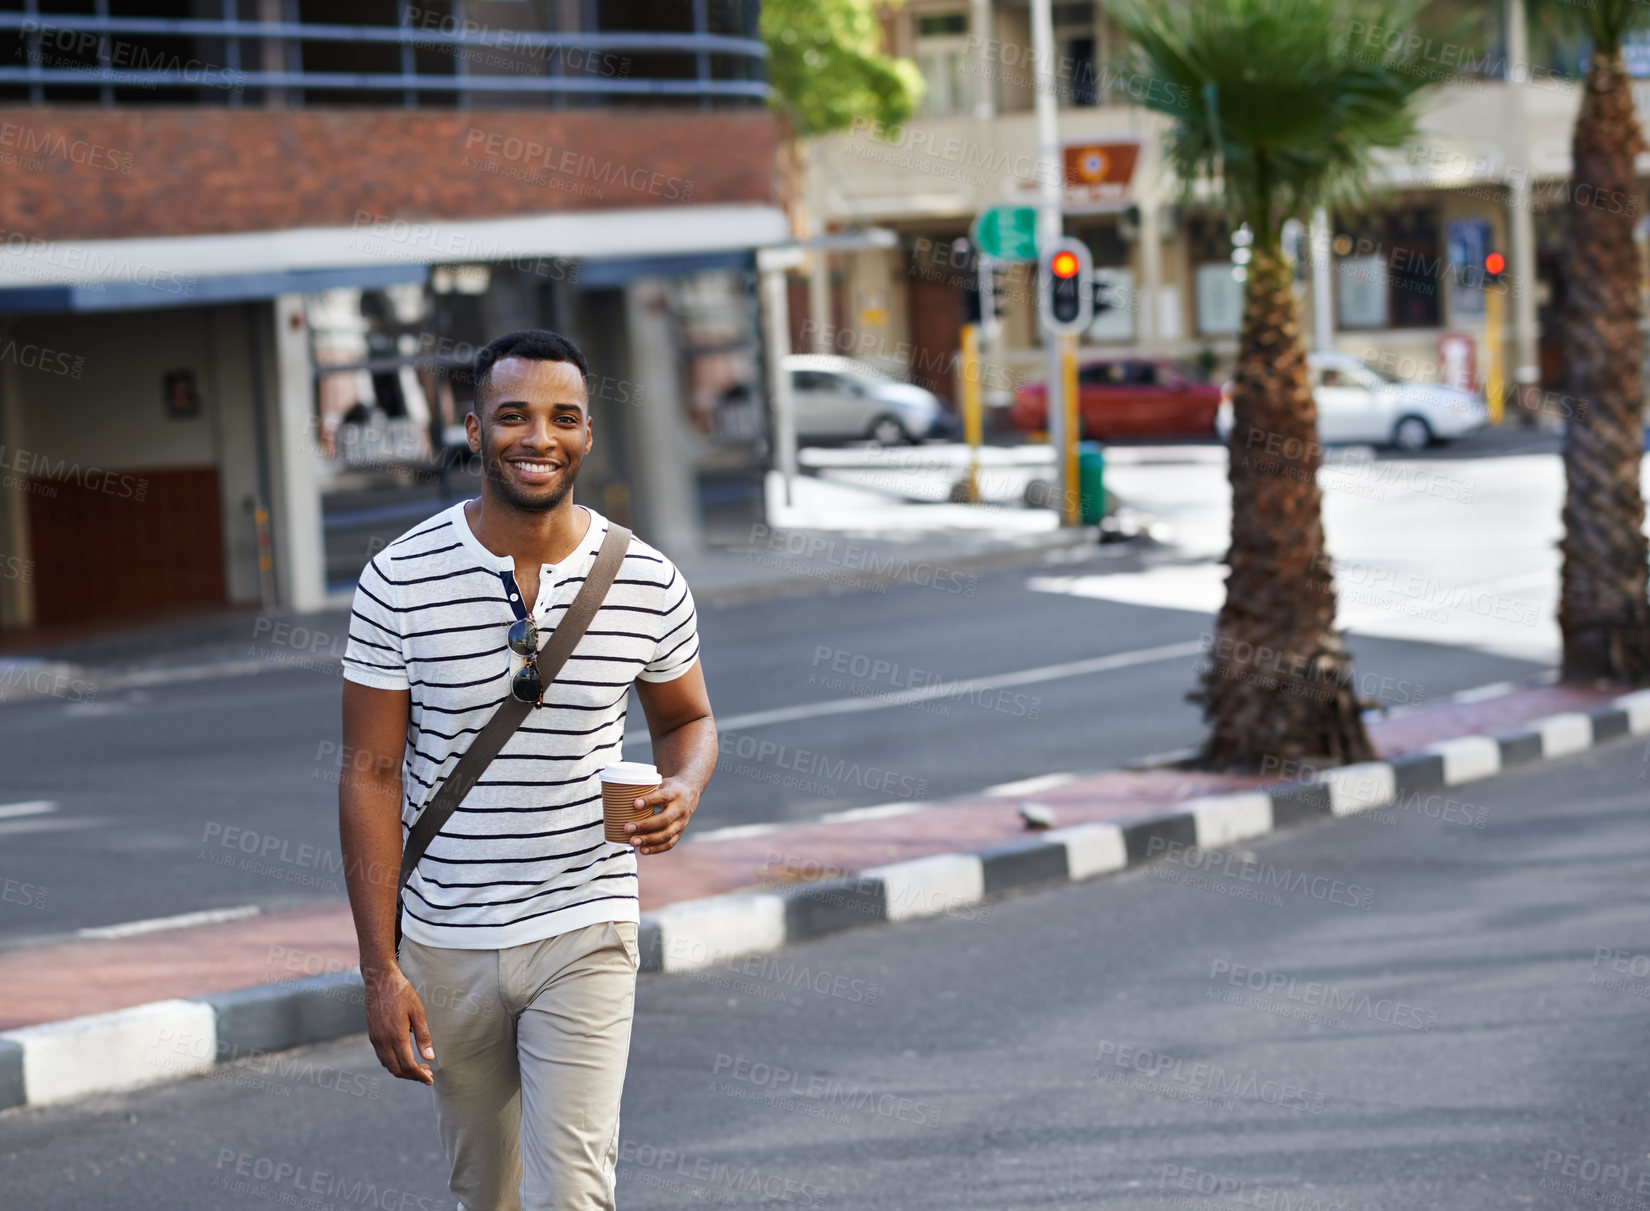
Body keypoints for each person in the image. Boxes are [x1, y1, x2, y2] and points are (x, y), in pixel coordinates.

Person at [337, 328, 718, 1211]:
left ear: (588, 435)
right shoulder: (398, 579)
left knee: (573, 1194)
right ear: (474, 430)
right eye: (512, 416)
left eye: (562, 417)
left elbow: (688, 720)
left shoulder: (649, 581)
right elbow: (369, 774)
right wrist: (378, 970)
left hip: (584, 922)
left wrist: (683, 786)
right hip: (446, 938)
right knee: (488, 1192)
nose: (537, 437)